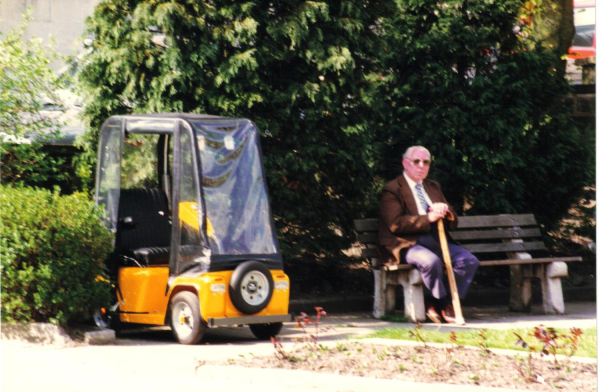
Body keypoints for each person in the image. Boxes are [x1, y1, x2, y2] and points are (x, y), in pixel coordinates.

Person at [378, 146, 479, 324]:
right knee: (430, 262)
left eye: (426, 162)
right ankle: (445, 304)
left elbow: (453, 221)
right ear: (405, 163)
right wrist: (428, 217)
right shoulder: (392, 189)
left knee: (469, 261)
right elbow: (395, 224)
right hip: (406, 244)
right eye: (416, 161)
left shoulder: (433, 187)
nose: (421, 166)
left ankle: (434, 303)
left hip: (436, 241)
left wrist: (445, 212)